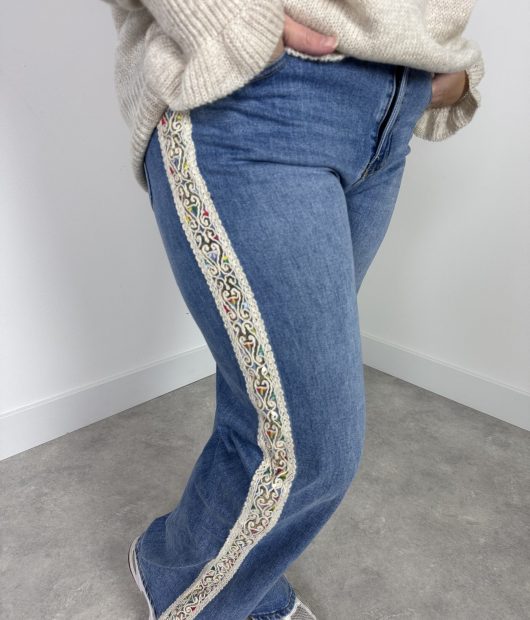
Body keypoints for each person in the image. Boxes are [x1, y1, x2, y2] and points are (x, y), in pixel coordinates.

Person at [100, 2, 485, 619]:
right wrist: (226, 23)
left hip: (391, 116)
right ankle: (196, 600)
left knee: (263, 405)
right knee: (312, 448)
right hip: (255, 103)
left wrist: (451, 62)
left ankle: (177, 559)